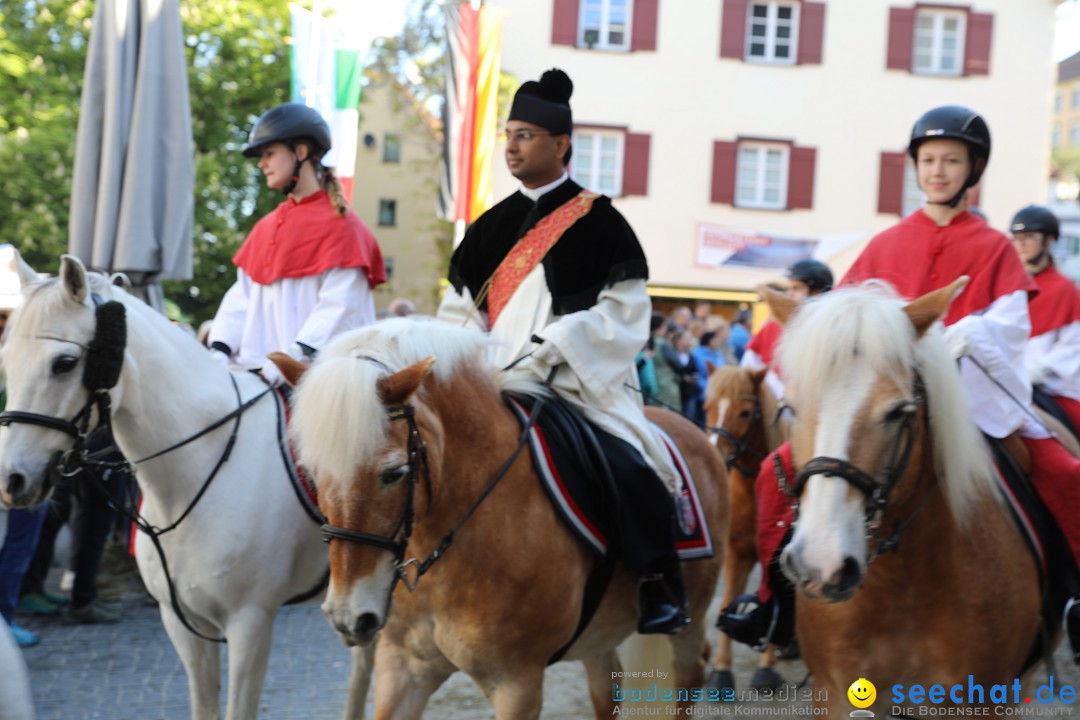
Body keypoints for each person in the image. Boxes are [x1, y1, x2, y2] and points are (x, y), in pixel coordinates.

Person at [720, 105, 1080, 653]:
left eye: (951, 161)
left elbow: (1010, 324)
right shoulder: (885, 245)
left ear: (972, 169)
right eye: (929, 160)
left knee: (1064, 472)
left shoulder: (994, 247)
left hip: (970, 399)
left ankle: (1069, 602)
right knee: (774, 472)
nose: (938, 172)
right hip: (883, 404)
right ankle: (774, 603)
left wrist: (965, 336)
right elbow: (847, 322)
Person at [437, 68, 688, 634]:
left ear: (561, 143)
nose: (512, 146)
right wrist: (467, 360)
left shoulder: (601, 221)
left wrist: (559, 344)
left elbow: (624, 312)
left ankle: (657, 582)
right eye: (508, 135)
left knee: (633, 459)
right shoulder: (486, 228)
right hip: (495, 383)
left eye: (525, 135)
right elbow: (457, 315)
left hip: (575, 382)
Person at [208, 103, 386, 381]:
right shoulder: (265, 227)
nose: (261, 163)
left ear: (300, 152)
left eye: (269, 153)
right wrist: (219, 348)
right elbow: (241, 298)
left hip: (319, 384)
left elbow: (340, 307)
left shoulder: (345, 228)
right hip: (255, 377)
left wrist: (295, 356)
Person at [1010, 205, 1080, 435]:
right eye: (1017, 237)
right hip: (1004, 382)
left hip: (1051, 387)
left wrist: (1039, 370)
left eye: (1029, 237)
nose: (1020, 243)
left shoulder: (1065, 289)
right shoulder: (1007, 286)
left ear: (1048, 241)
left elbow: (1073, 346)